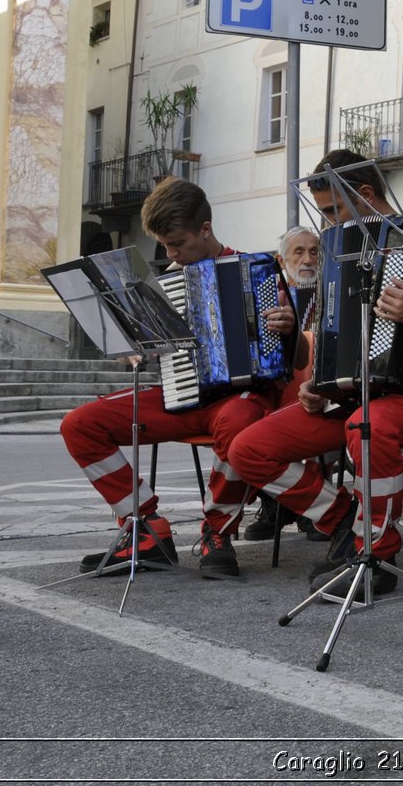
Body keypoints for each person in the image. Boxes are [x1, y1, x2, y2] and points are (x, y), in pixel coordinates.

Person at [227, 149, 403, 594]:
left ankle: (377, 557)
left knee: (370, 423)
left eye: (331, 211)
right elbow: (328, 330)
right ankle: (343, 516)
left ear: (365, 193)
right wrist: (316, 384)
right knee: (248, 449)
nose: (325, 223)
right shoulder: (337, 250)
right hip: (347, 395)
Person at [59, 177, 296, 579]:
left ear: (205, 230)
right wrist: (135, 345)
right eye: (165, 246)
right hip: (179, 394)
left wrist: (286, 326)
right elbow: (158, 351)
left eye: (178, 244)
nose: (172, 255)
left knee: (239, 424)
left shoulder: (258, 269)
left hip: (241, 398)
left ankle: (217, 532)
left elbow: (291, 355)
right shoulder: (163, 283)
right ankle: (145, 530)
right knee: (79, 425)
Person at [242, 225, 327, 543]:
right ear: (281, 259)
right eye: (299, 251)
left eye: (315, 251)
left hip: (317, 389)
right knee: (244, 418)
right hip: (276, 391)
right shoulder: (265, 294)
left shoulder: (331, 291)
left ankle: (312, 505)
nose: (308, 259)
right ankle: (275, 504)